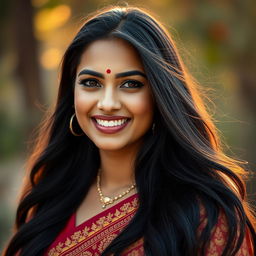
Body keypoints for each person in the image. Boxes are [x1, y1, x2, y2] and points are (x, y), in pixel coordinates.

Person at [3, 5, 256, 256]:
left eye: (130, 84)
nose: (108, 103)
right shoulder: (51, 197)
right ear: (72, 94)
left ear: (159, 96)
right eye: (91, 83)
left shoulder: (204, 216)